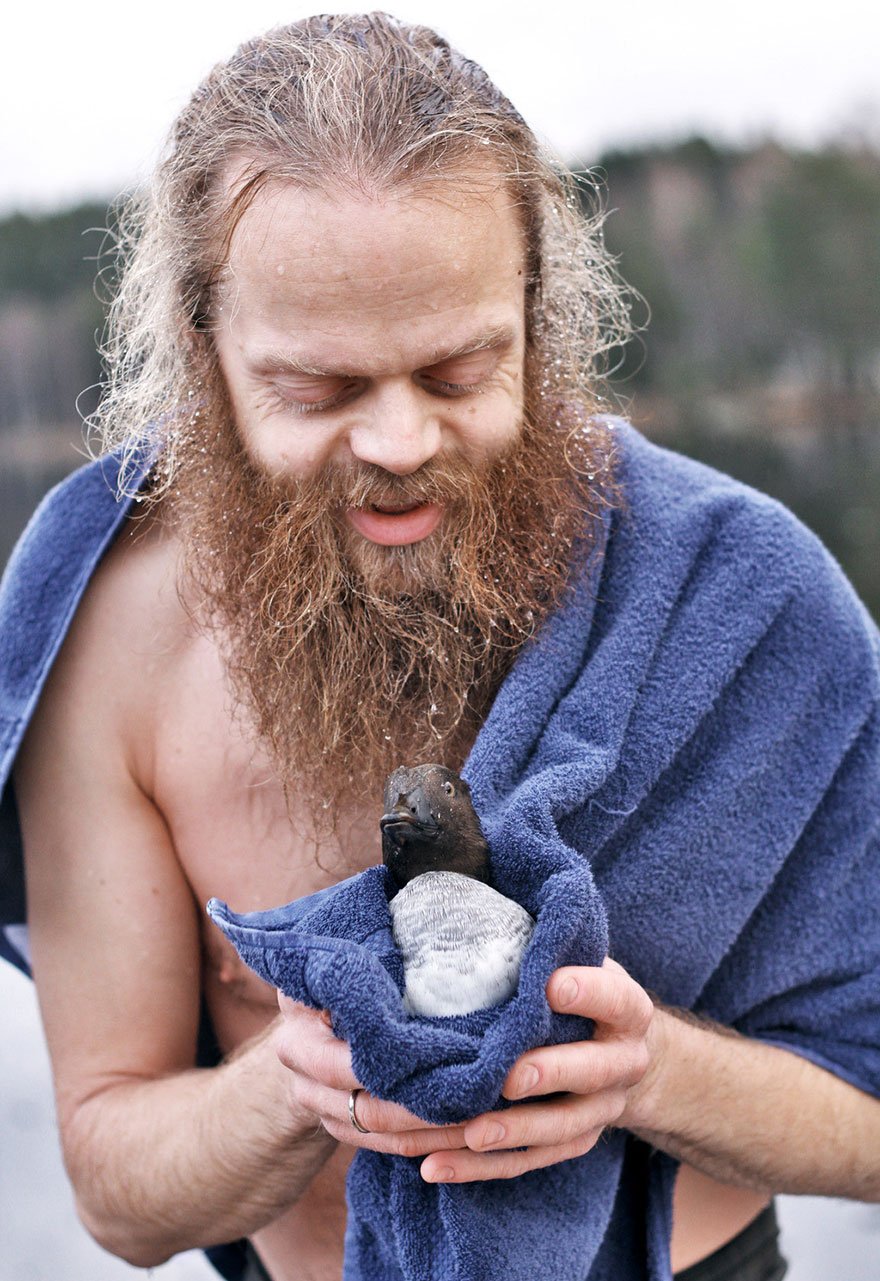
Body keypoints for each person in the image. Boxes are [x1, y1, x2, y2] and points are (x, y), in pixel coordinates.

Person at [1, 13, 878, 1281]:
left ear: (539, 315)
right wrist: (292, 1083)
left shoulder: (741, 604)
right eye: (320, 390)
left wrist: (648, 1075)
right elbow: (120, 1199)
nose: (402, 440)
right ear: (206, 356)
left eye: (461, 372)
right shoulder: (117, 637)